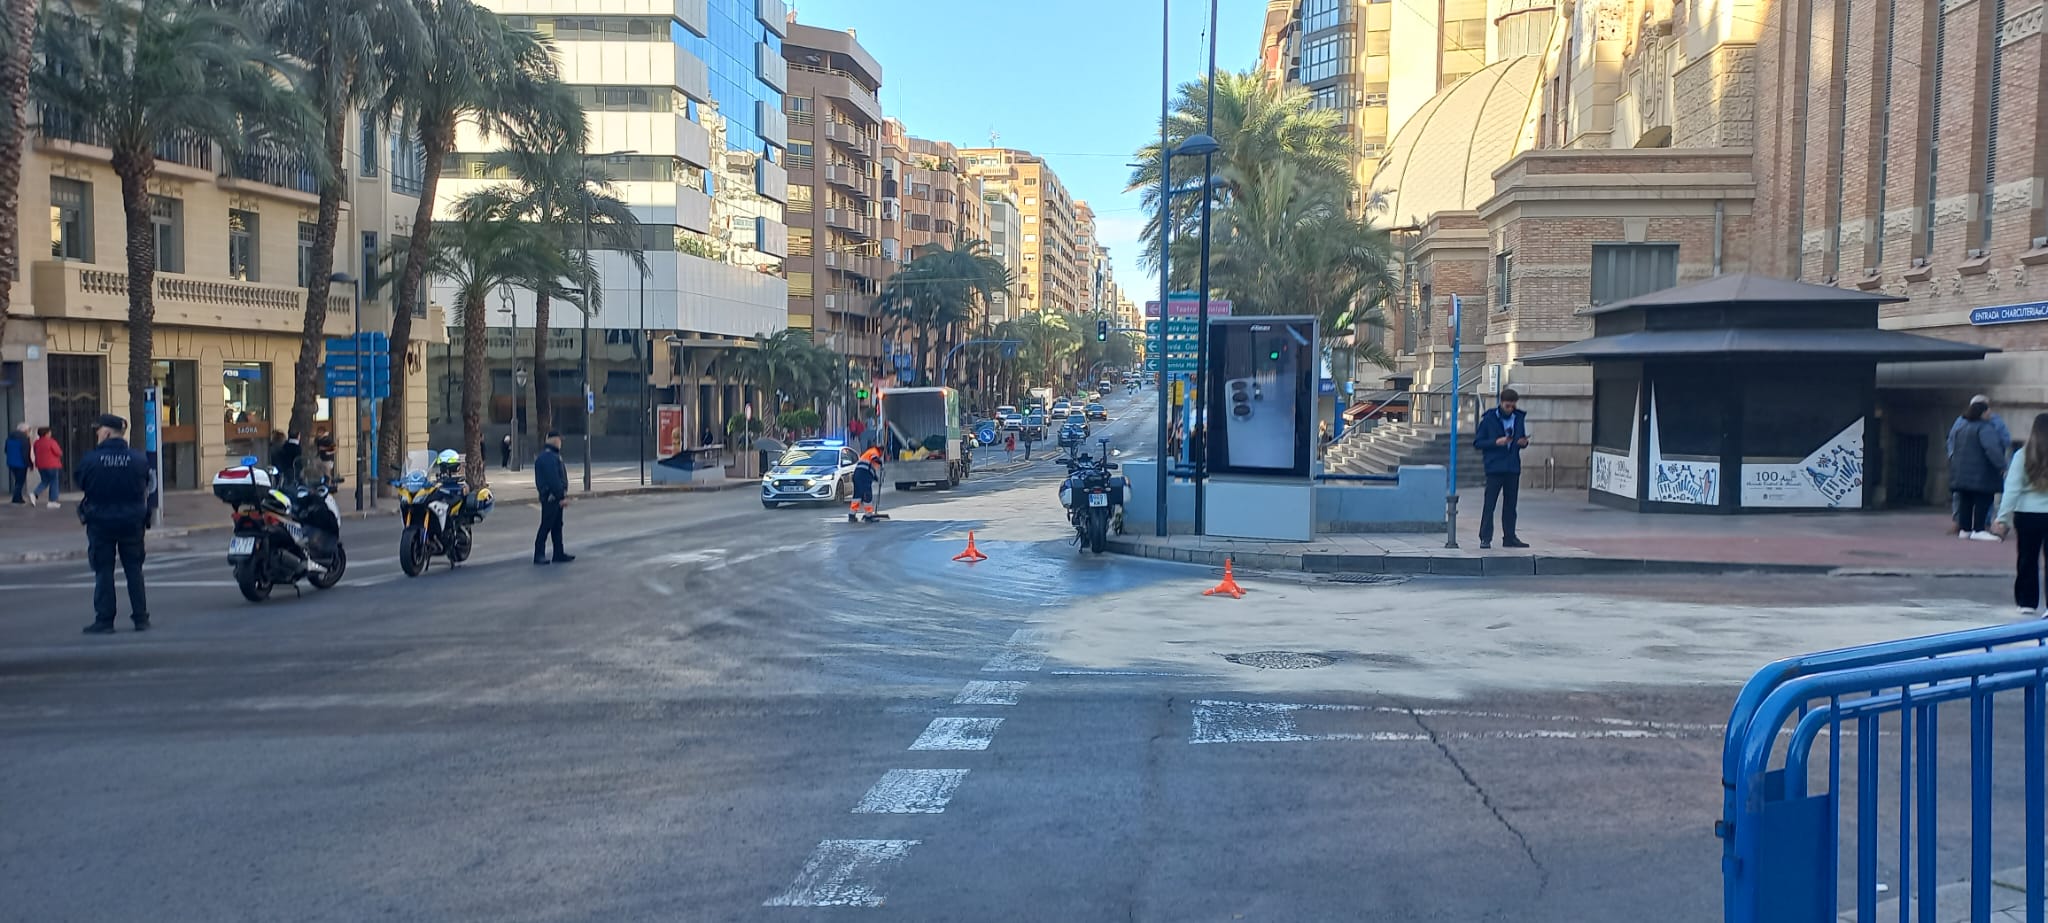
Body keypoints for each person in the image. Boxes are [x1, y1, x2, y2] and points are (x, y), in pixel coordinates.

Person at [76, 414, 151, 634]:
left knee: (103, 571)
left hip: (101, 522)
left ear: (107, 433)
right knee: (134, 570)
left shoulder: (91, 460)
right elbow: (147, 484)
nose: (97, 434)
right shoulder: (138, 459)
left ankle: (105, 620)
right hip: (132, 521)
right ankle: (140, 618)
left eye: (98, 430)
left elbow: (82, 482)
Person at [1995, 413, 2048, 616]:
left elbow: (2012, 490)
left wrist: (2002, 518)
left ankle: (2027, 601)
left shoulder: (2022, 455)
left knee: (2027, 558)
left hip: (2026, 514)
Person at [1474, 388, 1531, 550]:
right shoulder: (1489, 419)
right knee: (1490, 503)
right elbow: (1478, 442)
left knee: (1511, 504)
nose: (1510, 409)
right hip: (1494, 467)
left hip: (1512, 466)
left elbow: (1520, 437)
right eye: (1507, 406)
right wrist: (1495, 442)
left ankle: (1510, 537)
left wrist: (1523, 443)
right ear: (1501, 403)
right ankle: (1485, 537)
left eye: (1513, 406)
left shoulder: (1518, 417)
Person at [1950, 395, 2013, 535]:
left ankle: (1965, 529)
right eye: (1988, 411)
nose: (1990, 413)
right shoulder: (1985, 428)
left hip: (1962, 474)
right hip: (1981, 474)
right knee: (1983, 501)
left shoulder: (1962, 426)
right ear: (1983, 413)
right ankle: (1979, 529)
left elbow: (1953, 446)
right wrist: (2002, 466)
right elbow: (1992, 449)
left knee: (1965, 501)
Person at [533, 431, 572, 565]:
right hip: (551, 497)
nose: (560, 442)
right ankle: (539, 555)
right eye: (559, 439)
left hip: (553, 496)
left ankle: (558, 553)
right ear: (553, 440)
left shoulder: (551, 455)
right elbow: (554, 479)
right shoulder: (549, 457)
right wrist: (561, 496)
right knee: (547, 525)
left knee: (556, 526)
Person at [31, 426, 63, 508]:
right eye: (49, 432)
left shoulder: (36, 443)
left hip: (41, 465)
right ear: (47, 434)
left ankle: (35, 494)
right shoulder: (51, 442)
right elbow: (58, 452)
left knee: (45, 481)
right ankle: (52, 501)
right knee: (54, 481)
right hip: (52, 464)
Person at [849, 451, 880, 521]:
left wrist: (875, 477)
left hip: (858, 476)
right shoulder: (875, 452)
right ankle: (868, 516)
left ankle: (851, 515)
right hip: (864, 477)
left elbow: (870, 468)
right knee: (867, 496)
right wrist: (880, 462)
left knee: (857, 497)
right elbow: (874, 458)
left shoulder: (868, 457)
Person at [6, 422, 30, 505]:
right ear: (25, 430)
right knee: (20, 482)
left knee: (17, 481)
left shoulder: (9, 437)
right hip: (21, 463)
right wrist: (29, 463)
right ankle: (16, 498)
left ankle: (18, 497)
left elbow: (6, 450)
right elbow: (25, 453)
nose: (28, 432)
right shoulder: (24, 439)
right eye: (28, 430)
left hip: (11, 463)